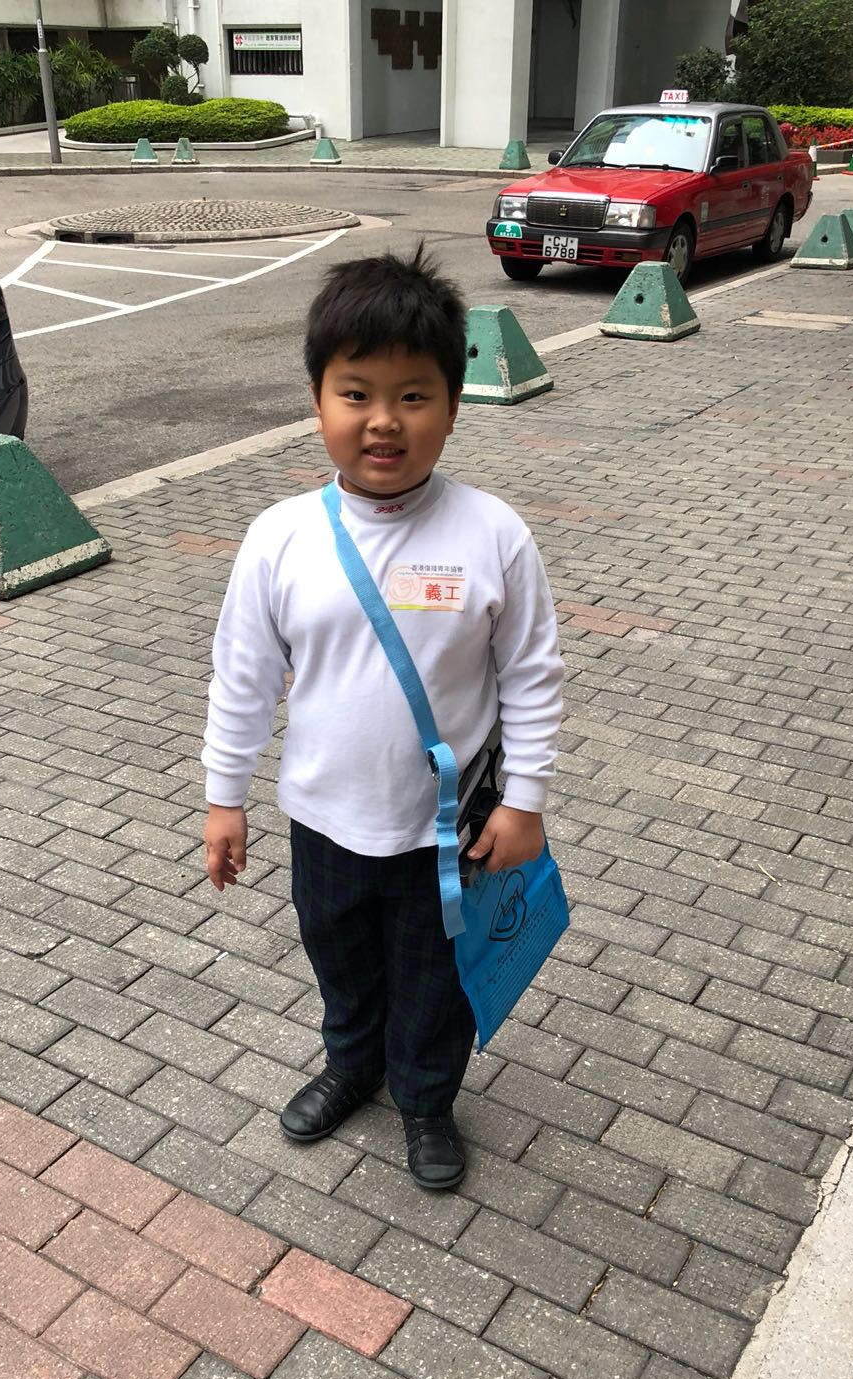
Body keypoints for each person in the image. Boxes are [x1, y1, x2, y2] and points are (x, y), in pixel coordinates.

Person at [201, 245, 563, 1190]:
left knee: (436, 979)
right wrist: (225, 798)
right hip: (323, 819)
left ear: (453, 404)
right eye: (356, 393)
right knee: (342, 962)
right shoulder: (280, 537)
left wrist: (525, 801)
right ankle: (352, 1067)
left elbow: (532, 676)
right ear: (318, 400)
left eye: (414, 396)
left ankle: (427, 1100)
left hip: (445, 832)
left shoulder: (493, 534)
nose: (384, 421)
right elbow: (243, 676)